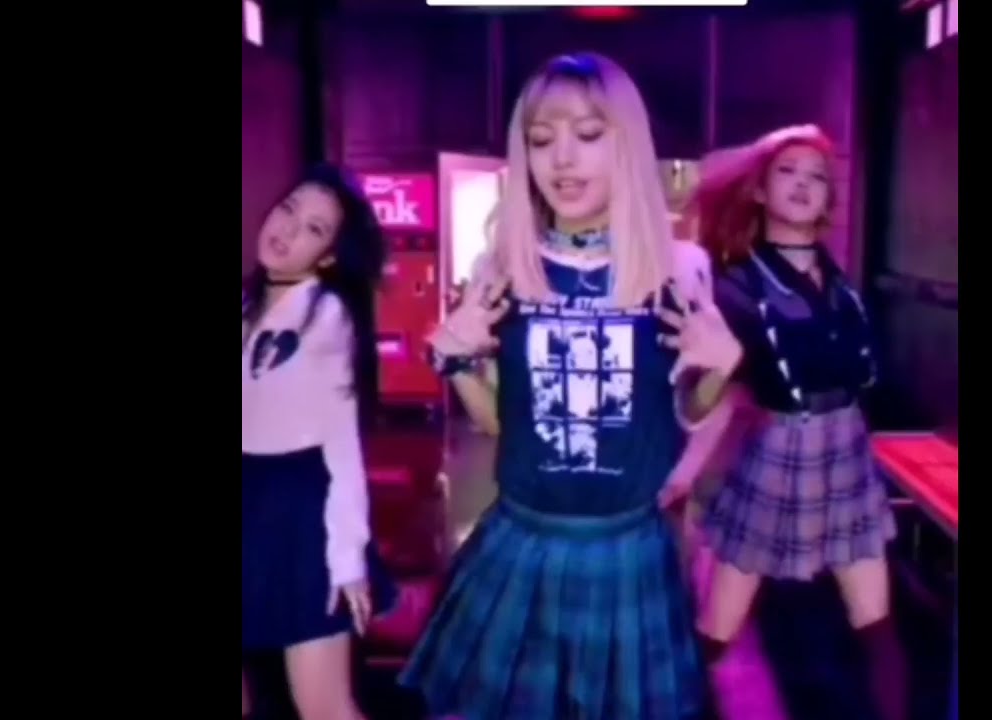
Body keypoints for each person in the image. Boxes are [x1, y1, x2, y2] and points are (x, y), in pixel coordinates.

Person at [398, 52, 741, 720]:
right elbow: (502, 423)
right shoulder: (505, 267)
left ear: (628, 145)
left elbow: (683, 412)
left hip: (628, 547)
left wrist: (721, 372)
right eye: (540, 139)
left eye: (587, 135)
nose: (562, 159)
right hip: (522, 539)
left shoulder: (677, 269)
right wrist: (459, 361)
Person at [688, 125, 907, 720]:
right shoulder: (734, 286)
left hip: (846, 443)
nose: (804, 185)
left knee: (876, 623)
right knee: (716, 631)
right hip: (779, 447)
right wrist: (681, 474)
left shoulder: (840, 286)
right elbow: (722, 395)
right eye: (787, 172)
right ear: (759, 190)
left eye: (817, 177)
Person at [241, 164, 396, 720]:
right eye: (288, 209)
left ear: (328, 256)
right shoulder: (250, 304)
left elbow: (341, 444)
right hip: (249, 496)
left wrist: (347, 556)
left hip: (299, 510)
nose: (287, 229)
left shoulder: (327, 316)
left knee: (324, 706)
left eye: (313, 228)